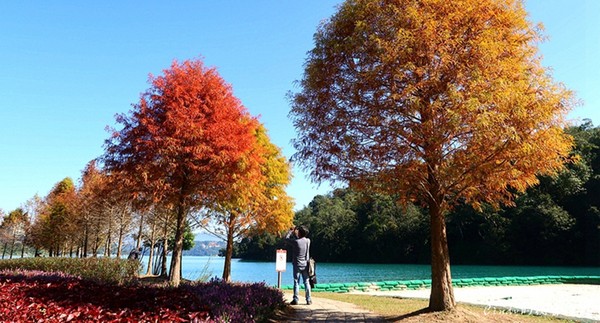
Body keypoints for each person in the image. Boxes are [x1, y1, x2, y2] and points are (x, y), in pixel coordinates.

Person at [285, 226, 312, 305]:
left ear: (300, 233)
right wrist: (296, 233)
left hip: (297, 264)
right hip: (305, 264)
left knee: (296, 282)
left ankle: (296, 299)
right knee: (307, 282)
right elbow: (300, 239)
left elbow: (286, 239)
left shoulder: (296, 242)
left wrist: (290, 232)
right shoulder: (308, 241)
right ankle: (308, 299)